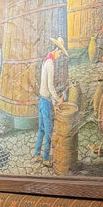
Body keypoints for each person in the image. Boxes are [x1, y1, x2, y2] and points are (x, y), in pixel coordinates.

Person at [33, 37, 68, 167]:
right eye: (60, 53)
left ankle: (37, 154)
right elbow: (50, 86)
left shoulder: (46, 60)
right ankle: (46, 158)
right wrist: (57, 99)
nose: (60, 56)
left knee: (41, 130)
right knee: (48, 131)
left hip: (42, 100)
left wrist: (54, 103)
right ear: (57, 50)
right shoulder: (51, 63)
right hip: (46, 101)